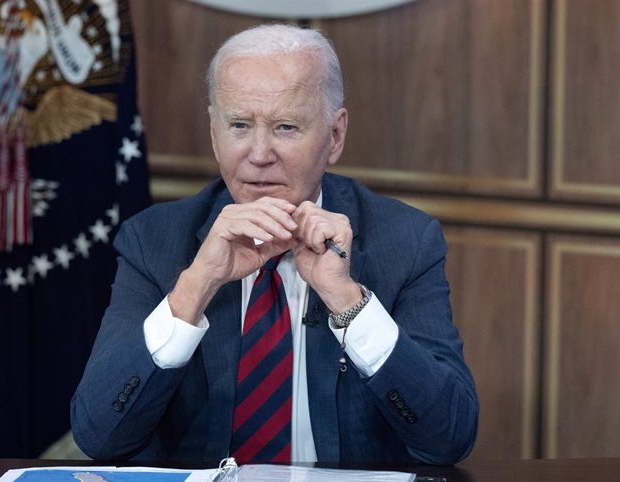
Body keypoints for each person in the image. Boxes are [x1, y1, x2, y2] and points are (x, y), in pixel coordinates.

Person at [71, 23, 478, 465]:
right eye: (239, 125)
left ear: (335, 136)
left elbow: (449, 439)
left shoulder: (404, 241)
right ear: (213, 132)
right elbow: (99, 437)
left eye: (285, 127)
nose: (259, 153)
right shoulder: (153, 242)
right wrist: (196, 286)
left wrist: (348, 301)